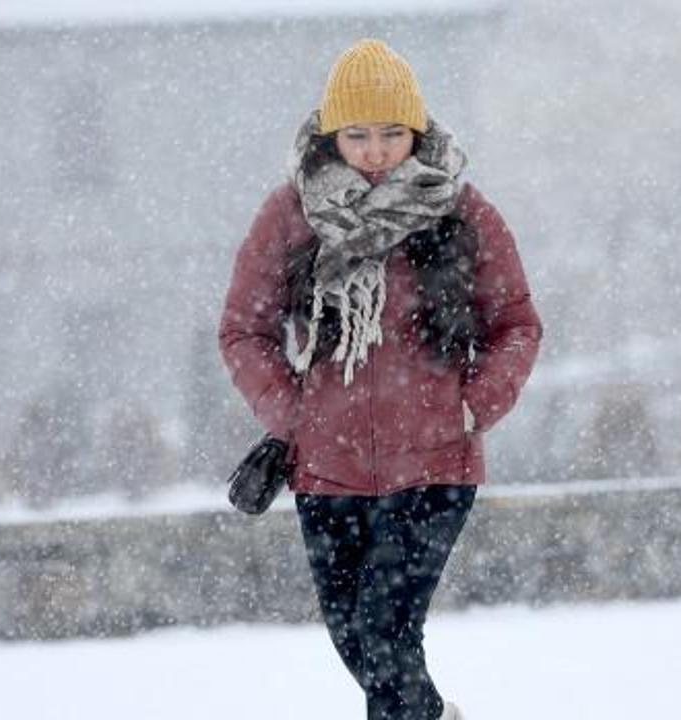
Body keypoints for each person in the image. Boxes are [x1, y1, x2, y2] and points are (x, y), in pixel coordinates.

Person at [218, 38, 542, 720]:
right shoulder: (293, 214)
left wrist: (473, 407)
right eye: (357, 135)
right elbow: (245, 328)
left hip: (434, 465)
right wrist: (292, 416)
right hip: (326, 469)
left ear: (417, 132)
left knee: (384, 633)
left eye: (392, 134)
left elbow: (515, 323)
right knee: (357, 641)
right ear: (330, 135)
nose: (374, 150)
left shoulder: (461, 211)